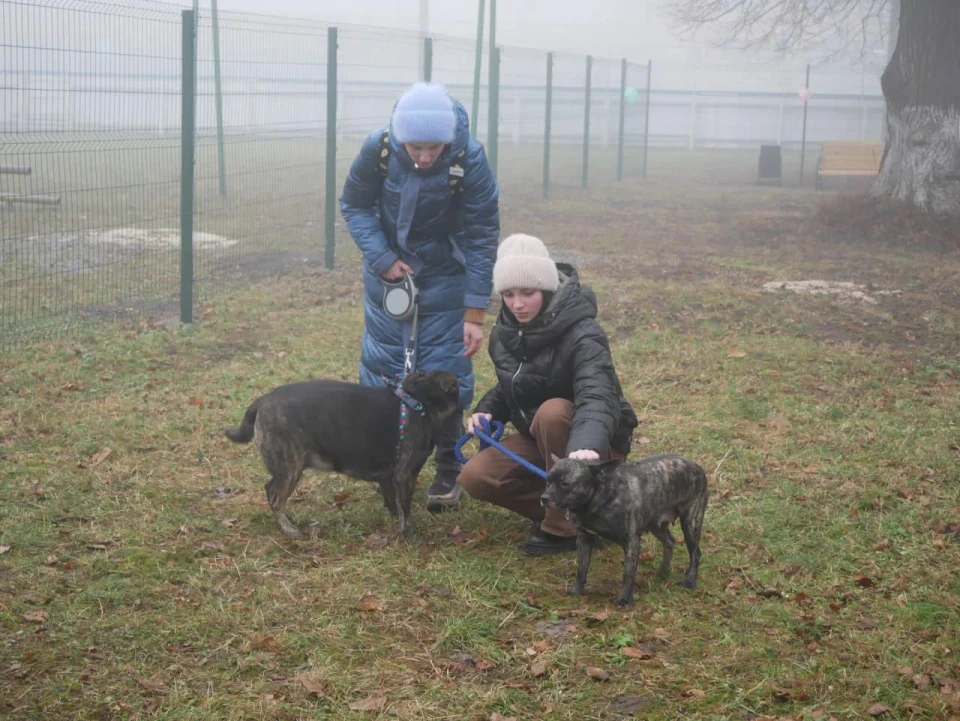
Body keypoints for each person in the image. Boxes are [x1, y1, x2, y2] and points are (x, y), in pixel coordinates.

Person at [340, 82, 500, 512]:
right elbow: (353, 205)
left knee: (447, 372)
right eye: (416, 147)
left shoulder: (470, 159)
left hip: (448, 275)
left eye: (433, 148)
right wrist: (383, 257)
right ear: (399, 137)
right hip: (389, 279)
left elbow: (483, 234)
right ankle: (387, 460)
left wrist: (474, 311)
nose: (425, 156)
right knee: (384, 367)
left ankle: (449, 467)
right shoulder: (380, 149)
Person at [457, 233, 639, 555]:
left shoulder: (584, 332)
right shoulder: (505, 333)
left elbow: (597, 393)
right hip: (542, 440)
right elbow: (512, 382)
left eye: (528, 292)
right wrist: (487, 410)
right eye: (509, 294)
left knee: (553, 412)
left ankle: (564, 529)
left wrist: (587, 444)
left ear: (546, 287)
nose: (517, 304)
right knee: (475, 476)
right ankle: (590, 511)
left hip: (594, 447)